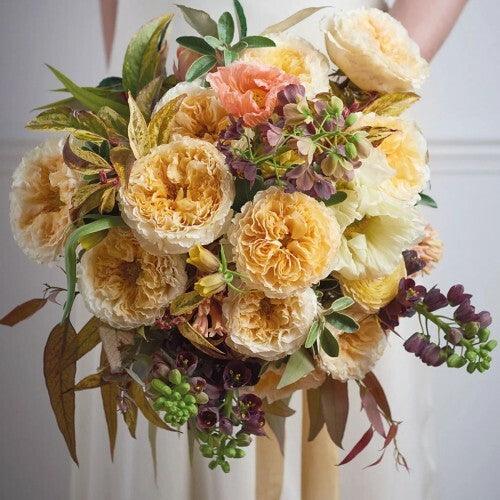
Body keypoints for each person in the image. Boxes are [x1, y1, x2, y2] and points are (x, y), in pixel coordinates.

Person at [79, 1, 467, 499]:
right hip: (161, 70)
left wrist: (369, 91)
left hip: (328, 83)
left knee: (332, 327)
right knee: (152, 344)